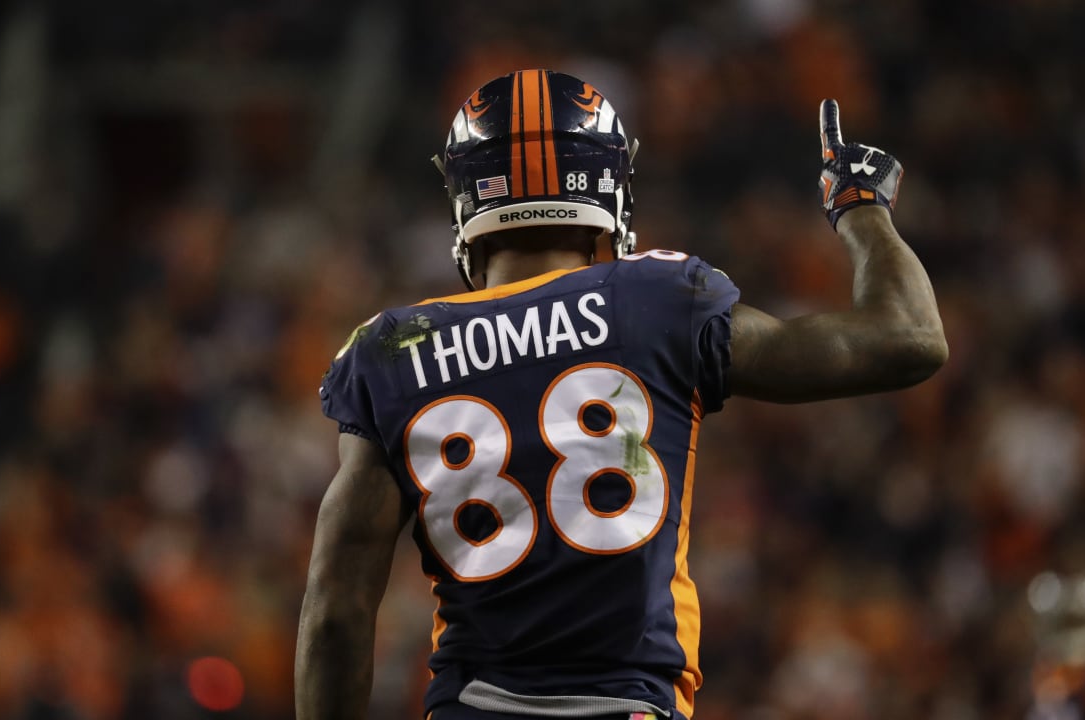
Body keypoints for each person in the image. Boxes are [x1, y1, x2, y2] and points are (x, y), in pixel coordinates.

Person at [295, 68, 947, 720]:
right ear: (608, 187)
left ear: (469, 197)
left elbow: (337, 611)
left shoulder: (394, 350)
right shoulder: (658, 301)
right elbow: (909, 338)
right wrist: (860, 207)